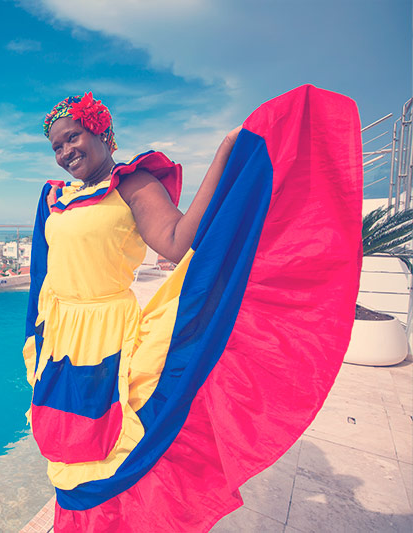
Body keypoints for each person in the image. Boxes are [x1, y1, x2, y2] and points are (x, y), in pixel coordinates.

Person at [23, 87, 363, 532]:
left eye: (73, 137)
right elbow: (42, 274)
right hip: (62, 337)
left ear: (103, 132)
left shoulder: (132, 184)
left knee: (106, 452)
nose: (66, 151)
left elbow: (177, 240)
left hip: (108, 335)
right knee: (64, 449)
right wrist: (39, 333)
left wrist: (223, 155)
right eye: (57, 146)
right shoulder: (53, 197)